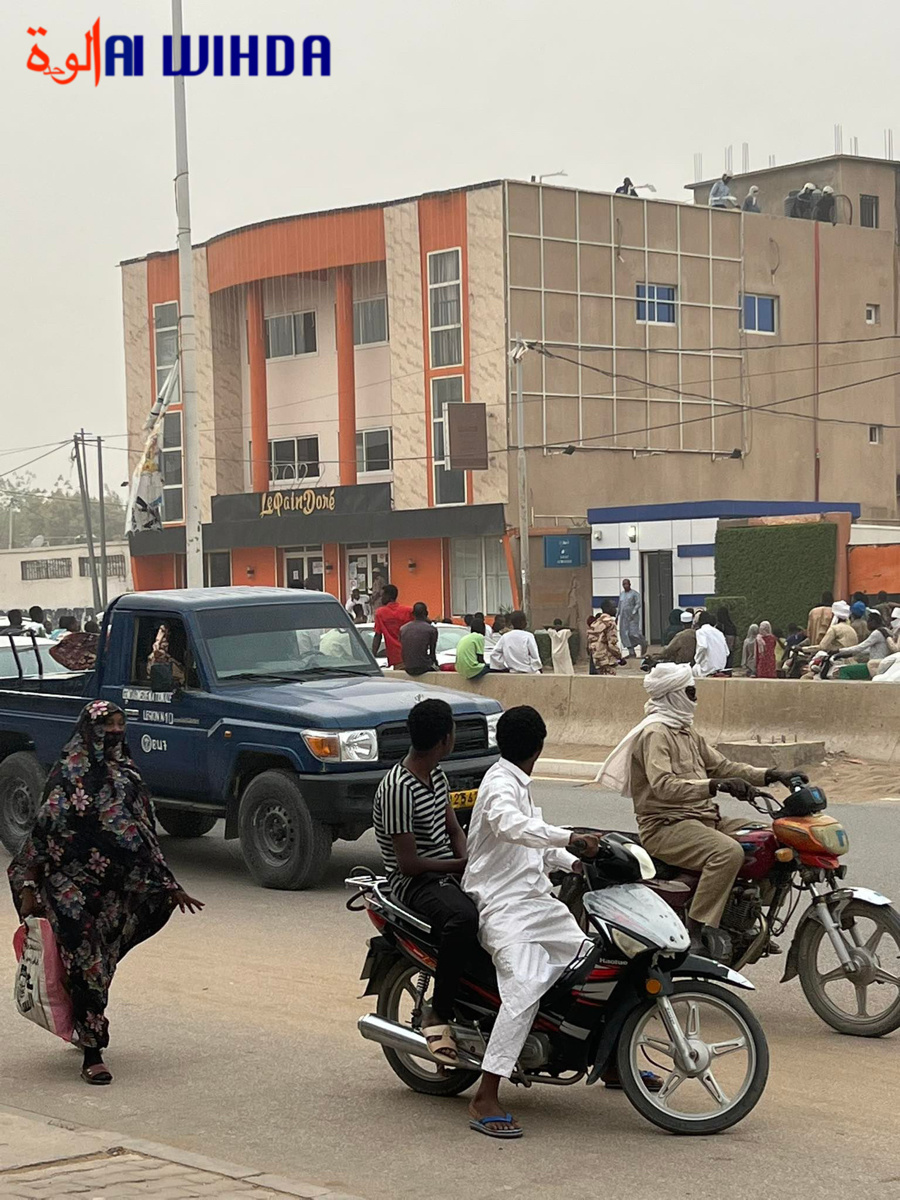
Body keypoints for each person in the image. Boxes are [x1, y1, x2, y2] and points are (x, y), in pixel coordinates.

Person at [7, 700, 203, 1084]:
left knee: (98, 964)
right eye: (107, 723)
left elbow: (143, 834)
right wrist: (30, 885)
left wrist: (166, 883)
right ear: (88, 728)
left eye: (119, 723)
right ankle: (94, 1053)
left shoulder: (128, 773)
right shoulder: (67, 774)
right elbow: (43, 835)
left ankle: (82, 1021)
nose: (115, 730)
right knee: (86, 964)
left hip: (113, 889)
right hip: (68, 887)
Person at [596, 663, 802, 962]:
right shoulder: (655, 734)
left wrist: (771, 774)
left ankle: (746, 923)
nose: (695, 698)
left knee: (772, 837)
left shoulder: (685, 731)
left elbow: (722, 766)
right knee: (728, 853)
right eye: (690, 692)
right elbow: (664, 786)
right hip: (666, 827)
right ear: (673, 694)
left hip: (704, 819)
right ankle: (696, 931)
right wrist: (714, 785)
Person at [463, 706, 596, 1137]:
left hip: (538, 903)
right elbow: (511, 827)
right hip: (501, 907)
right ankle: (486, 1095)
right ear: (539, 748)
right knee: (524, 985)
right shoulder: (500, 785)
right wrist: (568, 837)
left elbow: (533, 840)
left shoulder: (519, 783)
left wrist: (575, 862)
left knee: (593, 966)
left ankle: (610, 1062)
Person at [373, 699, 475, 1065]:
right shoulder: (400, 787)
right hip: (414, 884)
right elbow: (409, 863)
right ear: (445, 739)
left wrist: (470, 862)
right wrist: (459, 866)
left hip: (445, 872)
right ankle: (439, 1011)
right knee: (463, 918)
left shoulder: (436, 775)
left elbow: (453, 829)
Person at [832, 613, 891, 679]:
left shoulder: (877, 633)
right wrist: (848, 654)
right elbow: (868, 650)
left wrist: (838, 650)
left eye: (868, 621)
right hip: (882, 664)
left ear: (873, 621)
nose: (867, 624)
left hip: (874, 665)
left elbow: (860, 647)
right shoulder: (886, 631)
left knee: (843, 671)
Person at [372, 585, 413, 669]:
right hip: (411, 655)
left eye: (382, 595)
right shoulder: (408, 611)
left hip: (396, 657)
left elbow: (377, 636)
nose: (381, 598)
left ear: (389, 596)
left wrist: (372, 656)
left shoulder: (380, 613)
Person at [399, 602, 438, 676]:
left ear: (413, 614)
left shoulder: (403, 629)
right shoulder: (431, 630)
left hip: (408, 667)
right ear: (426, 613)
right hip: (423, 667)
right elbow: (432, 654)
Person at [588, 600, 621, 675]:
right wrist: (619, 657)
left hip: (597, 659)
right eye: (613, 607)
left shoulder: (595, 623)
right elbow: (612, 644)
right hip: (607, 660)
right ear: (608, 609)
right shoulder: (610, 623)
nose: (616, 609)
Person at [693, 611, 729, 678]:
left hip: (707, 669)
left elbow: (702, 646)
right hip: (721, 668)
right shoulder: (719, 633)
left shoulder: (700, 632)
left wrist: (697, 660)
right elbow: (727, 652)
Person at [617, 578, 647, 658]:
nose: (625, 586)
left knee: (633, 634)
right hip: (624, 618)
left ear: (630, 584)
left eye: (626, 584)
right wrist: (617, 616)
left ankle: (643, 642)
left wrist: (633, 612)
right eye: (623, 584)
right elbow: (619, 606)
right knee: (624, 635)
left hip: (632, 617)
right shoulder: (622, 594)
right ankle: (631, 652)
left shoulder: (634, 594)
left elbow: (638, 604)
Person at [455, 615, 490, 681]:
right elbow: (480, 658)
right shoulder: (479, 637)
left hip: (461, 670)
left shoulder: (466, 637)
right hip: (472, 669)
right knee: (494, 667)